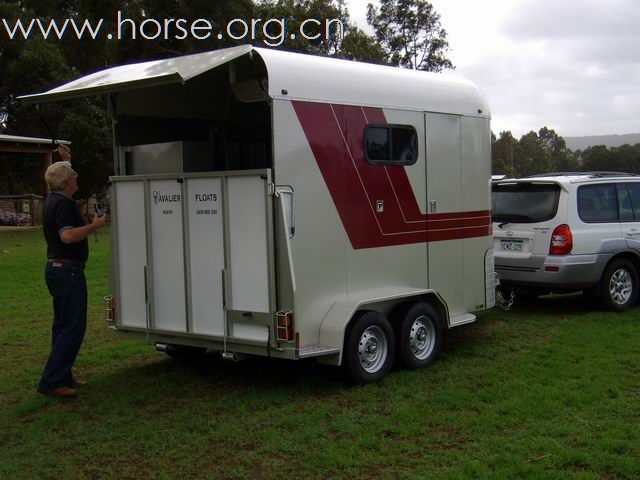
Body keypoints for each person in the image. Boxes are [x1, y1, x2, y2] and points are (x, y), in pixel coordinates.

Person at [38, 144, 106, 398]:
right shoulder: (63, 205)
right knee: (73, 326)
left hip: (56, 270)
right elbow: (67, 236)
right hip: (68, 271)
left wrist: (66, 161)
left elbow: (54, 177)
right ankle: (52, 381)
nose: (77, 177)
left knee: (63, 326)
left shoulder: (55, 198)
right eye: (73, 174)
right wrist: (94, 225)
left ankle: (61, 375)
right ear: (67, 182)